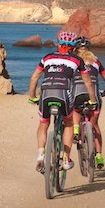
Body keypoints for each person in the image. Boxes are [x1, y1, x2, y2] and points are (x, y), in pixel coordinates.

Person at [27, 30, 96, 172]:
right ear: (74, 47)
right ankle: (66, 158)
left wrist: (32, 96)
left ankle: (41, 155)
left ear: (58, 44)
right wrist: (93, 100)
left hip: (45, 93)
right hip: (64, 94)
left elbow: (34, 78)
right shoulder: (77, 60)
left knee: (43, 123)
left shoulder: (47, 58)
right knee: (69, 123)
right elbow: (88, 82)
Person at [71, 36, 105, 168]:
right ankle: (99, 157)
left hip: (77, 94)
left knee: (76, 110)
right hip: (94, 96)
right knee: (95, 126)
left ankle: (76, 129)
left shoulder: (73, 61)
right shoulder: (96, 61)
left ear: (76, 49)